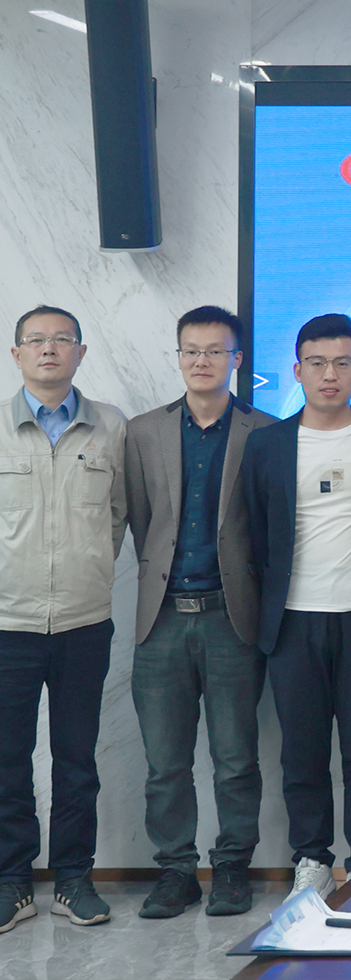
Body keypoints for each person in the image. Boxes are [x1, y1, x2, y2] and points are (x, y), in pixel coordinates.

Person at [123, 306, 276, 919]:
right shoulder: (143, 432)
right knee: (165, 763)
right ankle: (176, 872)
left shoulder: (264, 431)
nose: (202, 361)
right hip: (160, 617)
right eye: (191, 350)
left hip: (231, 618)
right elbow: (143, 523)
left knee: (236, 759)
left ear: (237, 359)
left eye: (216, 350)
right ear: (179, 357)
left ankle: (232, 868)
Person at [240, 314, 351, 900]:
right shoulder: (268, 443)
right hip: (292, 621)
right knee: (302, 753)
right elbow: (255, 533)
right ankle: (311, 858)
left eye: (342, 363)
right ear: (297, 370)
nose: (329, 374)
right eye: (317, 363)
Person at [0, 306, 127, 932]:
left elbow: (119, 516)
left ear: (80, 352)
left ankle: (74, 880)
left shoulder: (111, 427)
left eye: (62, 339)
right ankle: (12, 882)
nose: (48, 349)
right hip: (7, 624)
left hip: (84, 622)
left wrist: (88, 570)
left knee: (78, 760)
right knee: (7, 761)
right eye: (36, 340)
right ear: (16, 354)